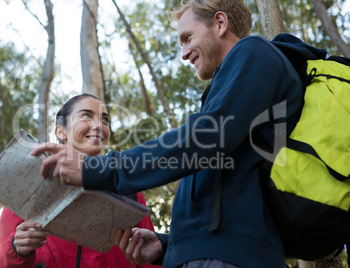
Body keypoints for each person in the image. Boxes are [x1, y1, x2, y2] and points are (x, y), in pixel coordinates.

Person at [31, 0, 327, 267]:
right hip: (207, 256)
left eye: (187, 38)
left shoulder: (253, 53)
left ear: (220, 24)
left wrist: (100, 168)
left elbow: (207, 139)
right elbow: (225, 194)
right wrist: (166, 246)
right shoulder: (228, 85)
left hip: (229, 258)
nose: (184, 53)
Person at [0, 93, 161, 268]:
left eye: (105, 120)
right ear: (61, 131)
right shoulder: (28, 185)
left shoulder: (130, 194)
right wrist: (17, 250)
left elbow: (149, 262)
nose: (98, 126)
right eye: (86, 116)